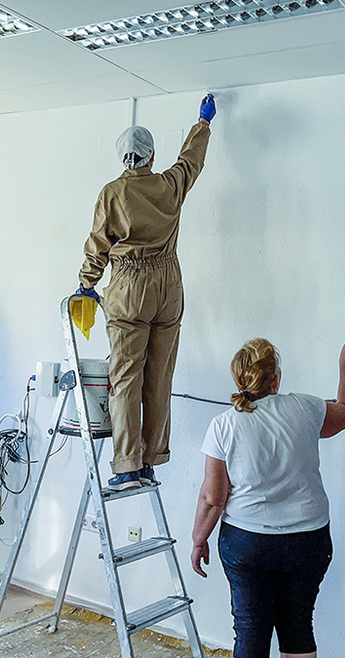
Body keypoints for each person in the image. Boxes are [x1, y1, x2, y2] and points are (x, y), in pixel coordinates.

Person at [190, 332, 345, 658]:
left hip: (248, 545)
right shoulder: (306, 408)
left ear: (239, 378)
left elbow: (213, 497)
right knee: (297, 628)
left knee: (251, 633)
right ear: (276, 378)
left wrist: (199, 539)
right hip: (308, 541)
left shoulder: (223, 425)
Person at [77, 93, 217, 491]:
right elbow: (192, 161)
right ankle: (151, 460)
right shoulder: (170, 185)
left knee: (125, 378)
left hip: (129, 287)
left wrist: (86, 284)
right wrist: (202, 124)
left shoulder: (113, 193)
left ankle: (126, 466)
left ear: (123, 158)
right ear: (152, 156)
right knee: (159, 377)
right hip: (169, 286)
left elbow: (98, 245)